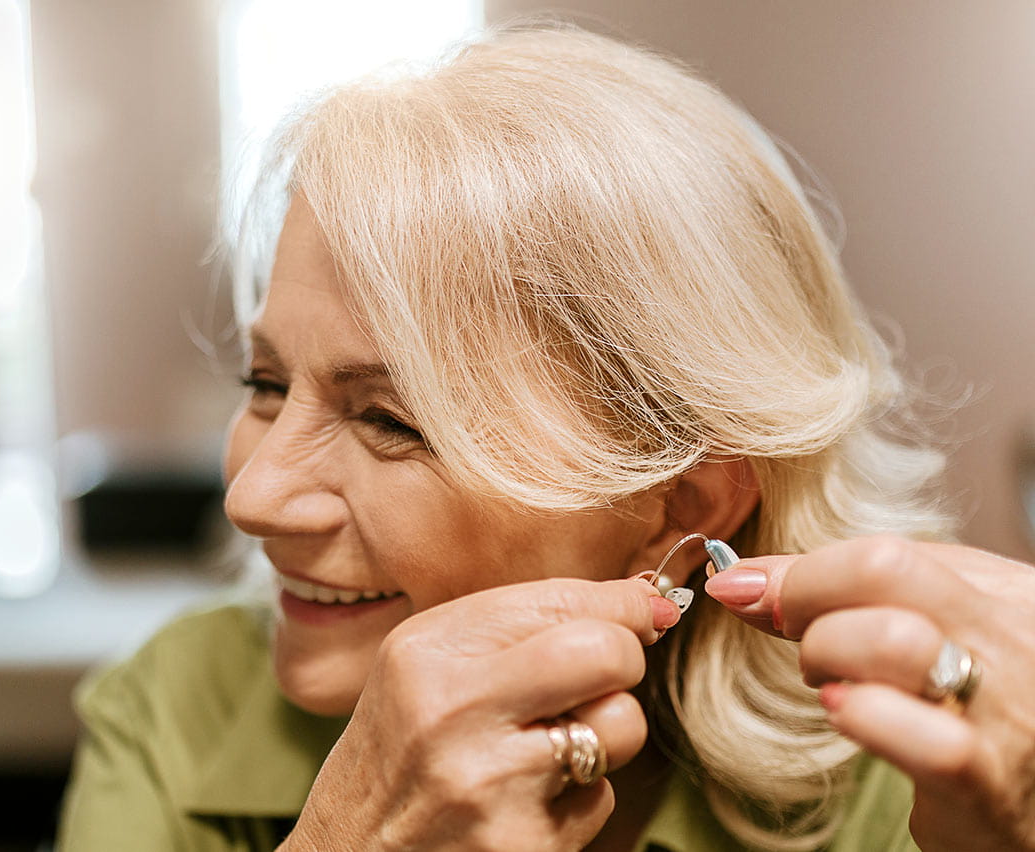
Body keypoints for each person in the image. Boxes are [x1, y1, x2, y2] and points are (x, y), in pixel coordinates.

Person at [55, 22, 1035, 852]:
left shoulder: (897, 776)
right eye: (265, 385)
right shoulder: (171, 710)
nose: (252, 496)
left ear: (682, 510)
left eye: (392, 421)